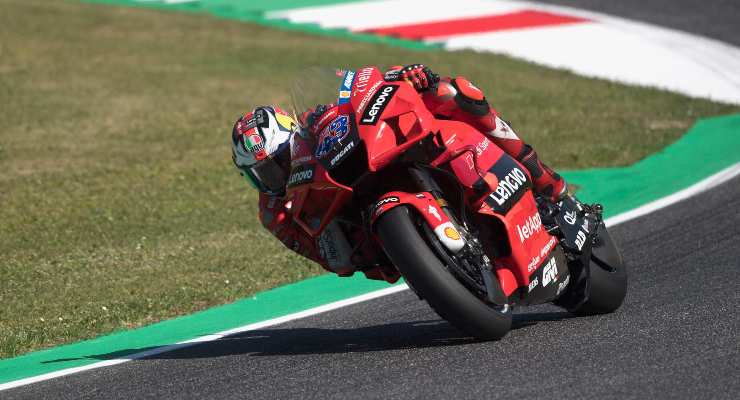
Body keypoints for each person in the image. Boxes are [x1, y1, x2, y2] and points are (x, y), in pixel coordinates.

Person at [231, 64, 569, 280]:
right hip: (370, 235)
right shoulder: (274, 212)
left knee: (452, 92)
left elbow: (356, 94)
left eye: (277, 162)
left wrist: (400, 76)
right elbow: (333, 261)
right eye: (261, 174)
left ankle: (546, 182)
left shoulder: (312, 121)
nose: (275, 176)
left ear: (292, 136)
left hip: (378, 159)